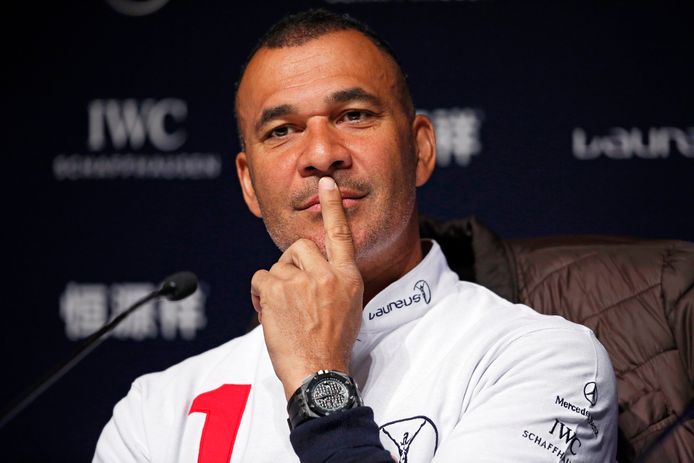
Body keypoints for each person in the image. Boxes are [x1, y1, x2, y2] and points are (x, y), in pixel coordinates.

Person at [94, 9, 618, 462]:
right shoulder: (158, 412)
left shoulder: (542, 360)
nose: (322, 154)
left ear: (420, 149)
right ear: (249, 184)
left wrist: (317, 379)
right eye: (282, 130)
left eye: (354, 115)